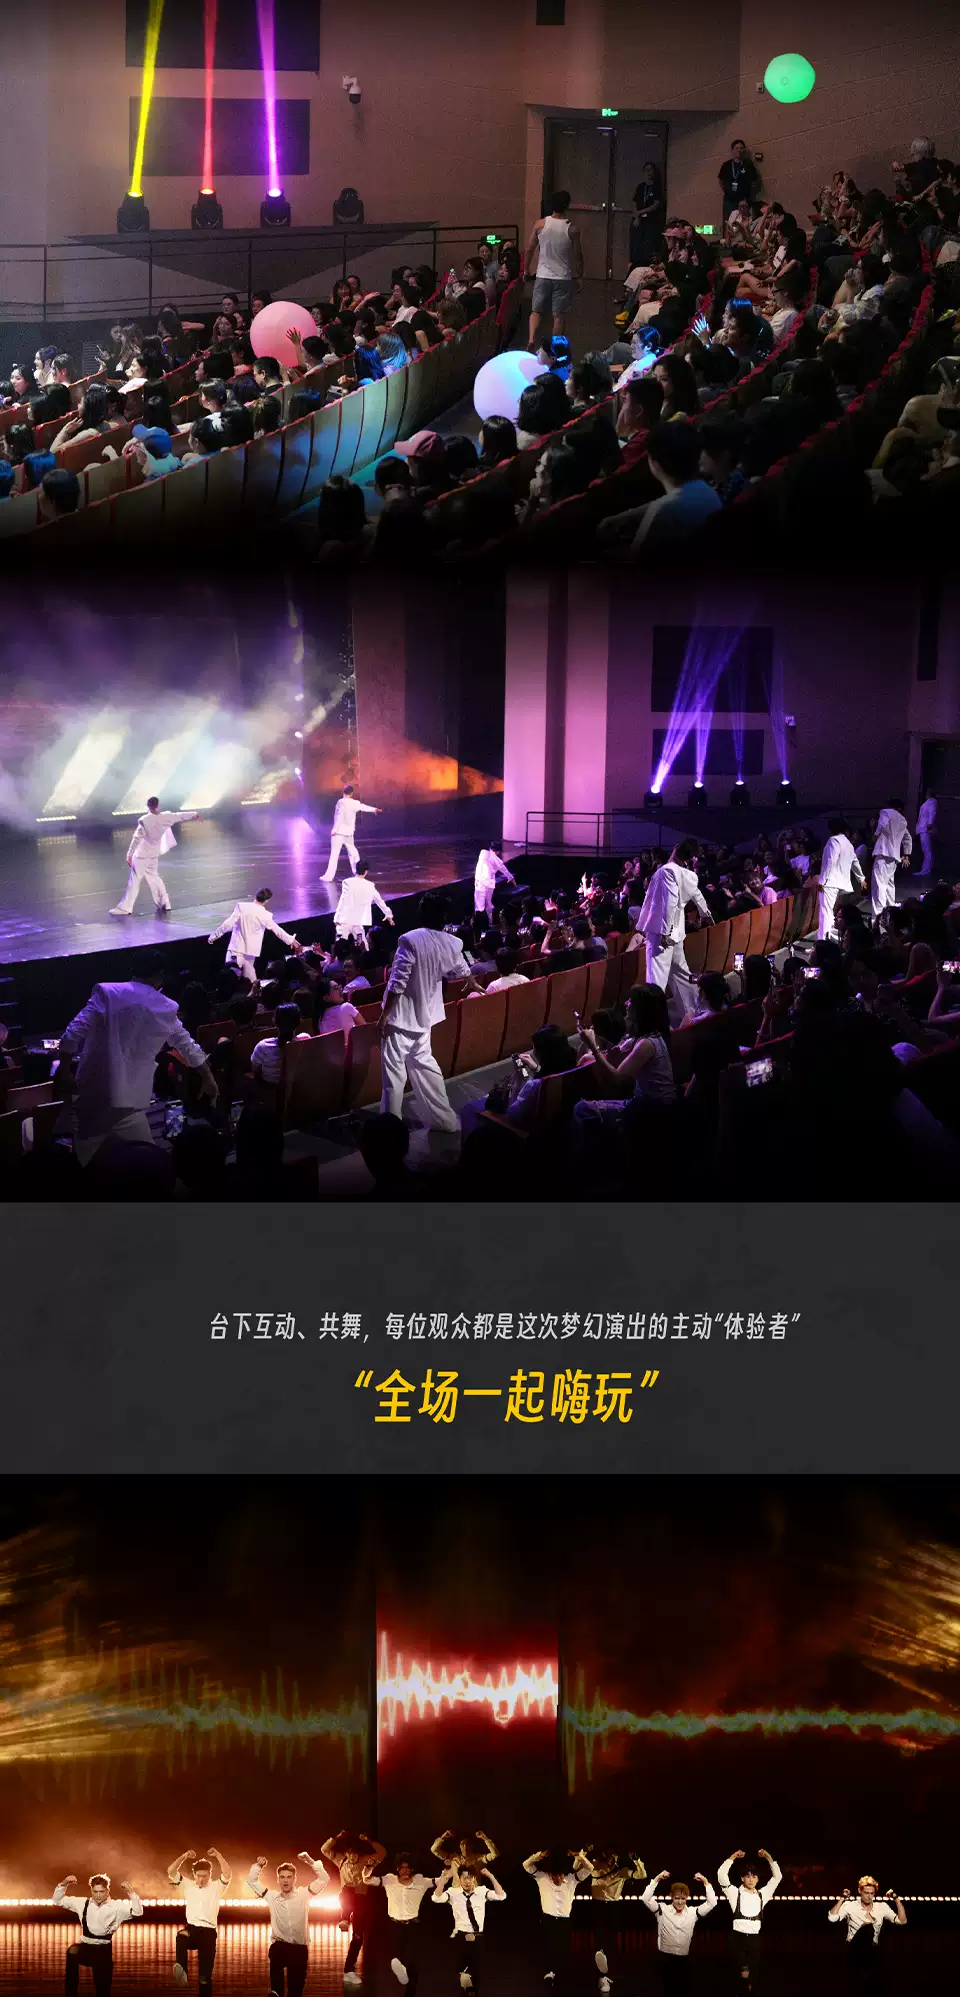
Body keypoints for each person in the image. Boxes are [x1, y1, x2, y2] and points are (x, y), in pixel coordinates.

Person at [57, 959, 218, 1165]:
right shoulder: (165, 1007)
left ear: (133, 971)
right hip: (130, 1104)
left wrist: (64, 1070)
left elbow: (71, 1035)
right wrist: (208, 1077)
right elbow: (188, 1047)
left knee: (85, 1164)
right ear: (160, 978)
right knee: (149, 1161)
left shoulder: (107, 993)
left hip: (93, 1100)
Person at [379, 893, 482, 1130]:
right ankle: (445, 1121)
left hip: (400, 1019)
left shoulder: (409, 940)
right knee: (425, 1066)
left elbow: (397, 982)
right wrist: (471, 980)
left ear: (422, 914)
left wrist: (384, 1015)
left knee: (394, 1076)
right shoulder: (452, 942)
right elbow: (460, 965)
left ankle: (390, 1129)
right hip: (425, 1017)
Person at [635, 840, 713, 1024]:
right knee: (681, 976)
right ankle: (694, 1015)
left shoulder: (666, 871)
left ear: (676, 847)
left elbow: (669, 902)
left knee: (656, 980)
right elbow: (697, 894)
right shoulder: (689, 875)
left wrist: (665, 932)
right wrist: (705, 913)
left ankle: (653, 1025)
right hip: (676, 932)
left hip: (663, 933)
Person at [246, 1851, 330, 1997]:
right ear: (278, 1879)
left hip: (299, 1949)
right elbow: (252, 1882)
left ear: (294, 1879)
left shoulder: (304, 1894)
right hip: (280, 1946)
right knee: (275, 1956)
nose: (285, 1881)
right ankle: (276, 1992)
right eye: (282, 1877)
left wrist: (310, 1861)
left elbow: (324, 1879)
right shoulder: (272, 1897)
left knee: (295, 1992)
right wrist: (258, 1866)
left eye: (289, 1877)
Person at [52, 1872, 143, 1995]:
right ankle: (71, 1993)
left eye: (101, 1892)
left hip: (103, 1952)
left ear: (107, 1891)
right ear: (91, 1891)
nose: (98, 1895)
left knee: (103, 1990)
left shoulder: (117, 1907)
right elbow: (57, 1900)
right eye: (95, 1892)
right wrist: (65, 1883)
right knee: (72, 1951)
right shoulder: (82, 1903)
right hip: (86, 1948)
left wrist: (130, 1892)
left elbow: (138, 1912)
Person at [109, 797, 201, 916]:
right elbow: (179, 816)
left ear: (148, 806)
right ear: (158, 805)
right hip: (153, 855)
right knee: (155, 878)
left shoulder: (145, 820)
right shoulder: (166, 817)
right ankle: (165, 903)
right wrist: (195, 814)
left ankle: (125, 908)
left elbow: (136, 839)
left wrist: (129, 854)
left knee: (134, 882)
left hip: (141, 856)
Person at [319, 1832, 387, 1985]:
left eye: (354, 1854)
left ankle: (349, 1970)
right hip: (347, 1898)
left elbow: (382, 1852)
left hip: (361, 1902)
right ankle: (344, 1919)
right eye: (349, 1854)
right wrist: (336, 1838)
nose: (351, 1857)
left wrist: (368, 1840)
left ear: (359, 1854)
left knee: (358, 1938)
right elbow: (324, 1849)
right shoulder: (341, 1861)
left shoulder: (366, 1861)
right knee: (347, 1890)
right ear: (346, 1854)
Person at [523, 1847, 593, 1988]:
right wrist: (540, 1855)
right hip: (548, 1919)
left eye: (560, 1875)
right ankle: (550, 1972)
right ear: (550, 1874)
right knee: (549, 1946)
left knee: (562, 1948)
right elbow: (526, 1865)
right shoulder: (542, 1878)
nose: (558, 1879)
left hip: (564, 1921)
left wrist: (577, 1855)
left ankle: (560, 1973)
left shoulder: (572, 1879)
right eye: (555, 1876)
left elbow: (589, 1868)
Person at [432, 1860, 506, 1992]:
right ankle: (464, 1980)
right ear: (459, 1879)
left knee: (476, 1969)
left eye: (470, 1878)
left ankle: (471, 1987)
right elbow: (436, 1898)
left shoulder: (482, 1891)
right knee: (462, 1967)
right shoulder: (453, 1893)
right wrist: (444, 1879)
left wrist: (491, 1876)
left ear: (474, 1879)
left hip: (478, 1936)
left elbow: (501, 1896)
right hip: (461, 1935)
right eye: (464, 1878)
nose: (467, 1881)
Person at [368, 1853, 437, 1993]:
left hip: (413, 1926)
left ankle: (410, 1990)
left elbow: (440, 1881)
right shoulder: (389, 1880)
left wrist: (449, 1869)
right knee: (396, 1959)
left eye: (407, 1868)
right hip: (394, 1925)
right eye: (402, 1868)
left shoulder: (420, 1881)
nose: (405, 1871)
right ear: (397, 1869)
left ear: (412, 1869)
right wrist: (368, 1868)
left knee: (412, 1961)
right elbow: (367, 1880)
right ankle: (403, 1975)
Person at [716, 1849, 782, 1993]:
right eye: (748, 1876)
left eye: (754, 1876)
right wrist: (733, 1857)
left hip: (754, 1939)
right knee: (735, 1972)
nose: (751, 1879)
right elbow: (721, 1875)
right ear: (742, 1878)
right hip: (737, 1937)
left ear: (757, 1879)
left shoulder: (762, 1894)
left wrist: (769, 1857)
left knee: (754, 1973)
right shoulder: (735, 1893)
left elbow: (777, 1877)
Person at [167, 1846, 232, 1991]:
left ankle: (204, 1985)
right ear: (194, 1875)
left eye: (205, 1876)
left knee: (204, 1978)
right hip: (192, 1930)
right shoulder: (188, 1885)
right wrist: (184, 1855)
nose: (201, 1879)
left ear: (209, 1874)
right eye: (198, 1876)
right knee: (181, 1936)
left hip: (208, 1933)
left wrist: (217, 1854)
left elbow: (228, 1873)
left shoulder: (217, 1887)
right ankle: (183, 1972)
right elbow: (171, 1871)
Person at [640, 1871, 718, 1989]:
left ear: (687, 1897)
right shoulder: (662, 1909)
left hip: (683, 1959)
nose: (680, 1902)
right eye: (677, 1898)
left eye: (683, 1898)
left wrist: (705, 1882)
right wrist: (657, 1879)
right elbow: (645, 1899)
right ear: (671, 1896)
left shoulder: (693, 1912)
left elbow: (712, 1903)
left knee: (682, 1990)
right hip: (664, 1958)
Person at [526, 192, 584, 350]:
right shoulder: (572, 229)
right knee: (558, 316)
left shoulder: (540, 225)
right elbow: (578, 255)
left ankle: (531, 339)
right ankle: (553, 348)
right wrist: (579, 275)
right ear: (567, 205)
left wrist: (526, 270)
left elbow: (530, 249)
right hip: (562, 277)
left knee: (536, 311)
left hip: (542, 275)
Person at [828, 1878, 906, 1994]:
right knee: (856, 1986)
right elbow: (832, 1918)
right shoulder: (850, 1906)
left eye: (872, 1893)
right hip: (855, 1951)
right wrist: (842, 1898)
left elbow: (902, 1921)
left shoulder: (881, 1907)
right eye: (866, 1893)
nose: (869, 1896)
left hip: (873, 1953)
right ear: (859, 1891)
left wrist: (896, 1899)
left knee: (873, 1986)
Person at [208, 888, 302, 984]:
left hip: (236, 950)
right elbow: (277, 930)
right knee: (251, 982)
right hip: (248, 953)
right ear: (266, 901)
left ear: (256, 896)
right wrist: (290, 940)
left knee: (229, 978)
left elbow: (228, 924)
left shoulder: (241, 907)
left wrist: (214, 936)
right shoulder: (265, 915)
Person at [585, 1850, 646, 1993]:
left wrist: (636, 1860)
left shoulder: (622, 1872)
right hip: (598, 1905)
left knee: (611, 1940)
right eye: (610, 1856)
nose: (612, 1859)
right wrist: (584, 1852)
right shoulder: (596, 1867)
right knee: (599, 1940)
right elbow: (578, 1868)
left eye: (615, 1856)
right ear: (604, 1856)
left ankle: (606, 1976)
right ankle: (601, 1976)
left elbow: (642, 1875)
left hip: (613, 1906)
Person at [322, 784, 382, 882]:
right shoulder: (355, 803)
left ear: (343, 792)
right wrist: (374, 809)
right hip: (348, 833)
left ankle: (329, 877)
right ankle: (358, 873)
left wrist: (335, 829)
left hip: (339, 833)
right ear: (352, 793)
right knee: (353, 853)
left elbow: (339, 816)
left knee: (335, 855)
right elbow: (363, 807)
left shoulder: (341, 802)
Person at [818, 818, 866, 940]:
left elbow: (831, 860)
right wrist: (861, 879)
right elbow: (855, 862)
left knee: (825, 912)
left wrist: (822, 880)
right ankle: (828, 938)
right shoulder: (848, 843)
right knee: (830, 911)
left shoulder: (833, 840)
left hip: (830, 882)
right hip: (841, 883)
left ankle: (822, 941)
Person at [335, 862, 395, 949]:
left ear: (356, 869)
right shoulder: (370, 886)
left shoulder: (347, 882)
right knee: (363, 947)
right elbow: (379, 901)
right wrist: (388, 914)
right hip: (357, 920)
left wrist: (337, 917)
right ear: (366, 871)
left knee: (341, 946)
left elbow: (343, 900)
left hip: (345, 920)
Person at [871, 799, 913, 919]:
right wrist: (906, 854)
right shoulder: (902, 819)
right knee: (889, 885)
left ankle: (878, 917)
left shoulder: (886, 812)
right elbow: (908, 838)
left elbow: (882, 825)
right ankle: (890, 914)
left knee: (879, 886)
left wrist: (875, 835)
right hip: (894, 856)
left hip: (883, 853)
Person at [474, 844, 517, 921]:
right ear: (498, 851)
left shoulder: (482, 853)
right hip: (489, 883)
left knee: (479, 905)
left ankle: (479, 922)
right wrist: (511, 877)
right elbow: (504, 869)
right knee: (488, 904)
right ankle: (489, 921)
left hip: (480, 883)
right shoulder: (497, 860)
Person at [718, 141, 760, 218]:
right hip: (730, 201)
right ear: (732, 150)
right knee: (729, 222)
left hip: (745, 200)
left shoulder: (748, 164)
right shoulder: (726, 165)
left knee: (744, 221)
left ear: (744, 150)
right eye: (736, 148)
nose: (739, 150)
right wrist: (728, 192)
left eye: (741, 148)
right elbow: (721, 181)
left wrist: (746, 198)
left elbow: (754, 182)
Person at [916, 789, 938, 874]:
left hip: (926, 828)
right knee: (926, 849)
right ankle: (926, 869)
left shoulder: (932, 802)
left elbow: (932, 812)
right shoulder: (928, 802)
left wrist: (930, 823)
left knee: (927, 850)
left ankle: (926, 870)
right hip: (924, 828)